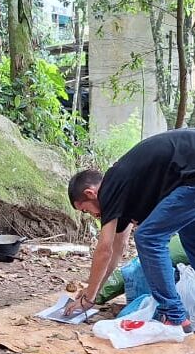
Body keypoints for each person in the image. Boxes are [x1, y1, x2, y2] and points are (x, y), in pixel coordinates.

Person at [64, 128, 195, 333]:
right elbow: (117, 248)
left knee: (148, 238)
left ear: (90, 193)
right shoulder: (124, 190)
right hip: (188, 178)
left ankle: (174, 316)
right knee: (189, 234)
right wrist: (95, 290)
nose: (91, 215)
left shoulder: (110, 187)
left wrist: (89, 298)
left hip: (191, 178)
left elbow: (104, 249)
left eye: (85, 210)